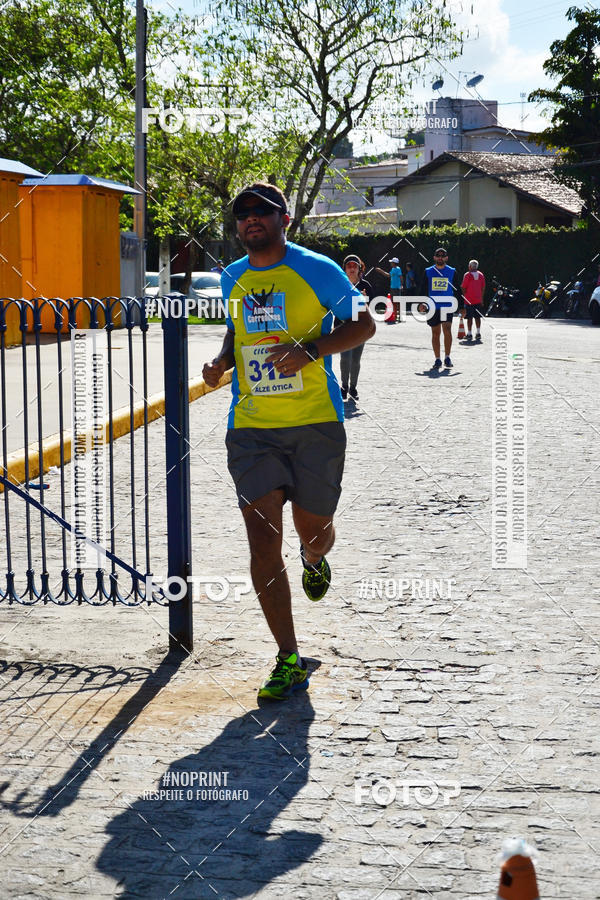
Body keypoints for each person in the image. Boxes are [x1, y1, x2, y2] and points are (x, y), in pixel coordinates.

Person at [202, 183, 375, 701]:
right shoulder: (232, 276)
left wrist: (313, 350)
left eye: (262, 211)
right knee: (261, 539)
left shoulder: (320, 269)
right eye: (242, 213)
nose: (251, 219)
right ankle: (287, 658)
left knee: (314, 530)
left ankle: (315, 558)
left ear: (285, 219)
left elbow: (364, 325)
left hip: (316, 423)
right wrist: (221, 363)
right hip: (252, 428)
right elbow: (238, 334)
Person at [339, 254, 373, 401]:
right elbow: (334, 305)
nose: (352, 268)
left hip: (360, 328)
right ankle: (344, 386)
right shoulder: (339, 285)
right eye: (349, 266)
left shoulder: (366, 286)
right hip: (343, 327)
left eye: (355, 266)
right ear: (345, 269)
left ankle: (353, 387)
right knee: (345, 358)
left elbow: (370, 309)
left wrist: (363, 299)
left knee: (355, 360)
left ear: (360, 269)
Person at [420, 247, 456, 369]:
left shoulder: (452, 271)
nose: (440, 257)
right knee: (435, 333)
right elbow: (423, 289)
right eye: (438, 255)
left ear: (446, 258)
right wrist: (422, 303)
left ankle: (447, 357)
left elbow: (458, 290)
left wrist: (462, 306)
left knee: (447, 329)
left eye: (443, 255)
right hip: (432, 306)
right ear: (434, 257)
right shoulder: (428, 271)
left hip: (447, 305)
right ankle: (437, 359)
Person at [461, 259, 486, 342]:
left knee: (469, 318)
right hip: (478, 300)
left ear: (469, 266)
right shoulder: (481, 275)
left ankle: (469, 334)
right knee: (478, 317)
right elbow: (483, 288)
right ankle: (478, 333)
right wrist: (481, 298)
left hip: (469, 300)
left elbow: (463, 287)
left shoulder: (467, 275)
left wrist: (464, 296)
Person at [375, 257, 403, 323]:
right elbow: (388, 275)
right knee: (394, 302)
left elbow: (401, 277)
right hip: (392, 288)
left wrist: (401, 285)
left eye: (391, 262)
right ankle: (396, 316)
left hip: (396, 288)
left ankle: (398, 317)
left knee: (397, 302)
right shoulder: (393, 269)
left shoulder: (398, 269)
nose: (391, 263)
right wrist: (380, 271)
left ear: (394, 263)